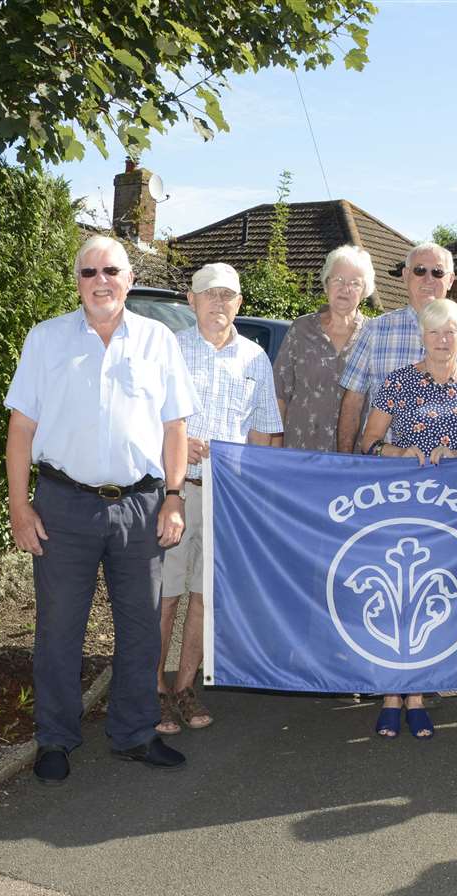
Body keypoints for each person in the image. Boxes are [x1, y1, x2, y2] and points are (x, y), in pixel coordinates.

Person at [5, 234, 198, 784]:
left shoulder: (159, 340)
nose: (100, 281)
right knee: (60, 627)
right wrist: (20, 507)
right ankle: (55, 739)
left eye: (111, 270)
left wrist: (175, 497)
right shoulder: (46, 340)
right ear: (77, 282)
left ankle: (135, 734)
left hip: (141, 506)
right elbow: (21, 429)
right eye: (89, 272)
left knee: (140, 625)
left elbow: (175, 427)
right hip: (64, 505)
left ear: (129, 279)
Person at [357, 298, 457, 739]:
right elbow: (369, 442)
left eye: (450, 331)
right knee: (397, 598)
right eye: (434, 332)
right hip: (400, 507)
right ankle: (389, 697)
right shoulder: (398, 382)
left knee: (432, 604)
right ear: (422, 336)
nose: (442, 339)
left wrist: (456, 453)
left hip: (453, 513)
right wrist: (399, 452)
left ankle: (416, 697)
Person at [156, 263, 283, 734]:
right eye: (209, 294)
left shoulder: (255, 359)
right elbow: (144, 417)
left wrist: (245, 475)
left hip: (226, 499)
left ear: (240, 304)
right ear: (191, 301)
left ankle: (185, 688)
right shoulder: (170, 351)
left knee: (204, 599)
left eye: (227, 295)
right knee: (165, 598)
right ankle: (155, 691)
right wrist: (172, 443)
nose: (218, 303)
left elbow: (267, 429)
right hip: (177, 493)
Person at [335, 241, 457, 453]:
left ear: (450, 280)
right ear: (405, 275)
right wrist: (346, 466)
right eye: (420, 270)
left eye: (437, 272)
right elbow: (352, 404)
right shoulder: (374, 331)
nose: (428, 279)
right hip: (393, 478)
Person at [272, 245, 372, 452]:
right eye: (338, 280)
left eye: (355, 283)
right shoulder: (301, 329)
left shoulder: (373, 335)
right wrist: (276, 449)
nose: (346, 289)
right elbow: (279, 393)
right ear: (326, 284)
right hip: (299, 450)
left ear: (364, 291)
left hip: (352, 457)